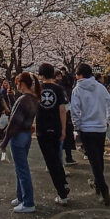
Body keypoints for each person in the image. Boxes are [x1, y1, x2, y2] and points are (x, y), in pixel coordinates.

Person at [70, 63, 110, 206]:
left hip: (86, 128)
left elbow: (75, 111)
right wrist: (107, 120)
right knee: (98, 157)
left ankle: (103, 188)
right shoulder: (100, 88)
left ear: (80, 75)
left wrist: (77, 127)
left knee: (94, 160)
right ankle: (98, 183)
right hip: (100, 128)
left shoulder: (77, 90)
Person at [2, 71, 39, 213]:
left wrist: (4, 142)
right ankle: (21, 197)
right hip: (27, 135)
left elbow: (14, 121)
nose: (16, 85)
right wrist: (11, 97)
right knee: (20, 168)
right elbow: (17, 113)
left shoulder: (23, 99)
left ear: (22, 84)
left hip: (18, 136)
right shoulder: (33, 98)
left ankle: (28, 202)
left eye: (17, 83)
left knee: (22, 170)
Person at [35, 63, 70, 205]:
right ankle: (64, 184)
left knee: (51, 162)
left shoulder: (37, 89)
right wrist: (63, 129)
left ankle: (62, 194)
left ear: (41, 75)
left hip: (42, 129)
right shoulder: (59, 89)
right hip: (56, 128)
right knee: (56, 158)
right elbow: (63, 110)